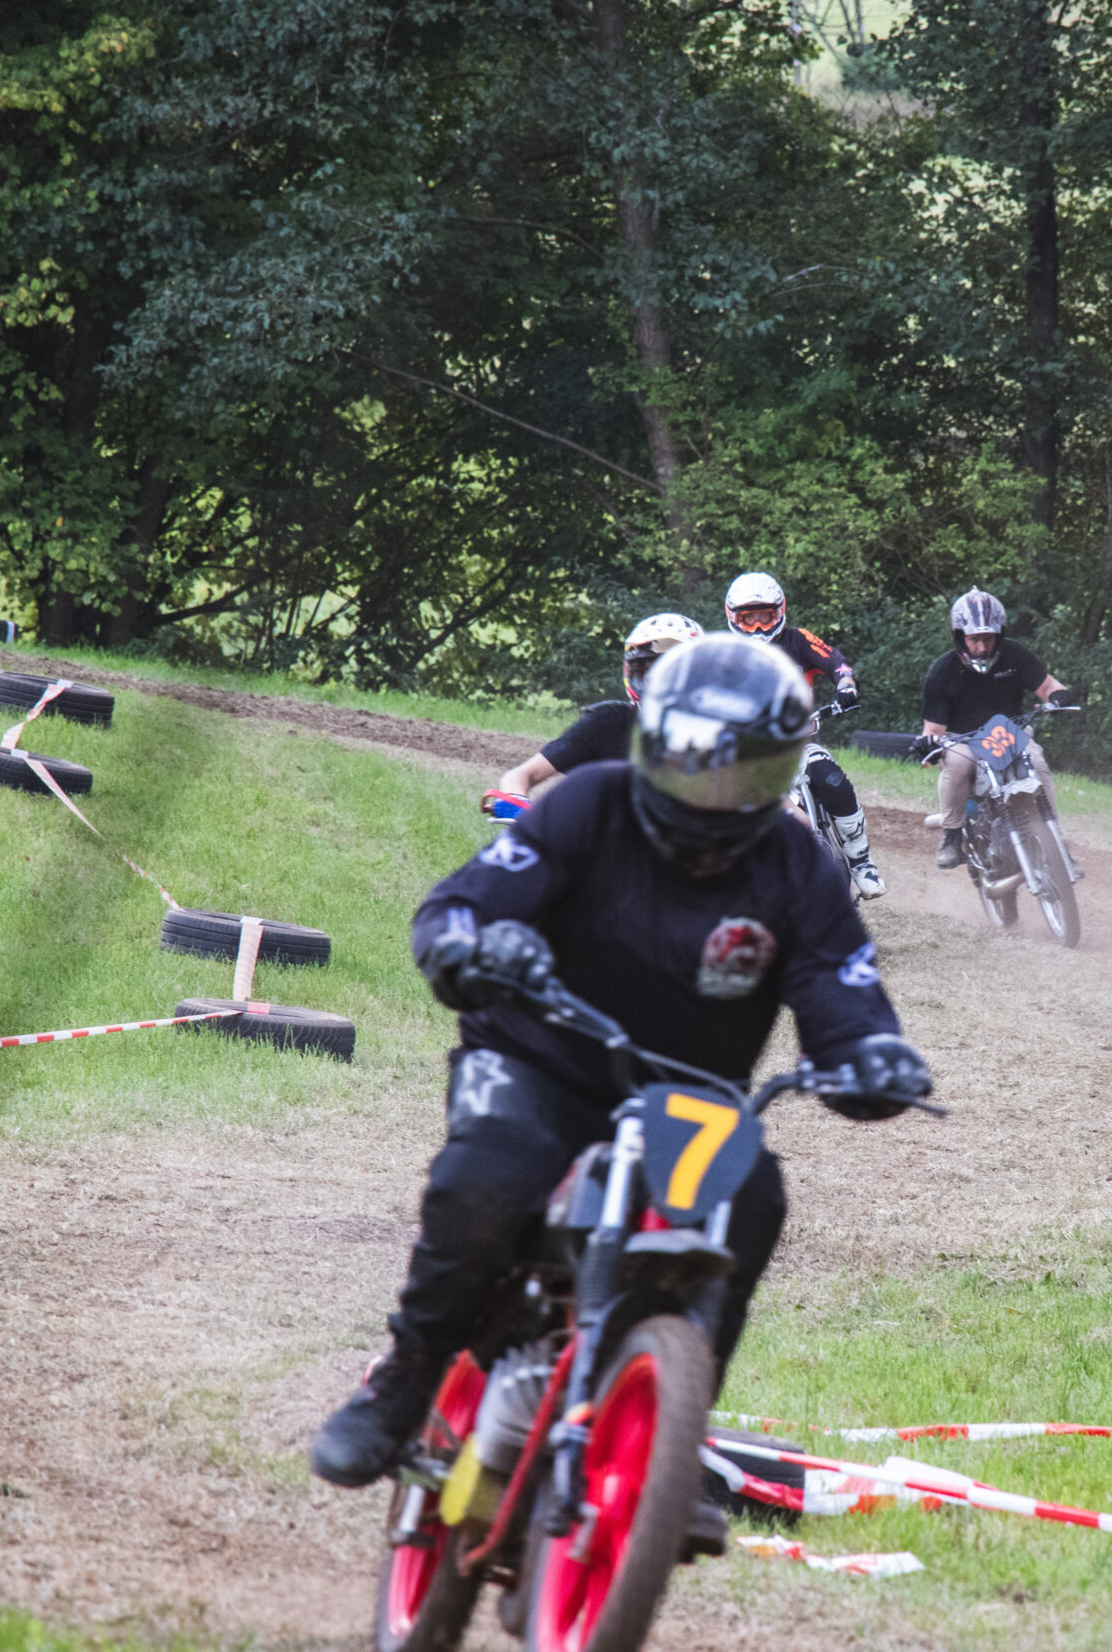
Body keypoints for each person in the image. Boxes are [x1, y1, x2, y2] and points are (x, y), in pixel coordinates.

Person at [309, 636, 934, 1526]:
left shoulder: (799, 864)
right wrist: (471, 945)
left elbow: (841, 981)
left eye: (749, 771)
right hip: (539, 1059)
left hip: (686, 1096)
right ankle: (404, 1382)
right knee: (488, 1179)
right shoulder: (588, 804)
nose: (720, 792)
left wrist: (871, 1052)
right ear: (659, 745)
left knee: (754, 1200)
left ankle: (669, 1435)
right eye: (702, 764)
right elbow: (463, 904)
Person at [721, 571, 884, 899]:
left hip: (799, 743)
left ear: (779, 612)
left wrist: (846, 685)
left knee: (831, 778)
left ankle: (861, 860)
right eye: (749, 619)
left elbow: (837, 663)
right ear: (734, 618)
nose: (757, 627)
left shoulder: (797, 640)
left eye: (764, 617)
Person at [910, 588, 1072, 871]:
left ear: (999, 634)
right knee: (957, 764)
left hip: (1008, 733)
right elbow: (933, 730)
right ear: (960, 636)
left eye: (988, 638)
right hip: (961, 740)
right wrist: (928, 744)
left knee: (1036, 761)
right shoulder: (942, 672)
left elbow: (1048, 686)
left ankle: (1054, 840)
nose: (982, 647)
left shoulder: (1015, 655)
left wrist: (1058, 697)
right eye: (974, 639)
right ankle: (952, 837)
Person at [487, 613, 701, 816]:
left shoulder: (713, 734)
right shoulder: (607, 723)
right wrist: (514, 801)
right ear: (631, 672)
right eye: (648, 673)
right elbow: (521, 775)